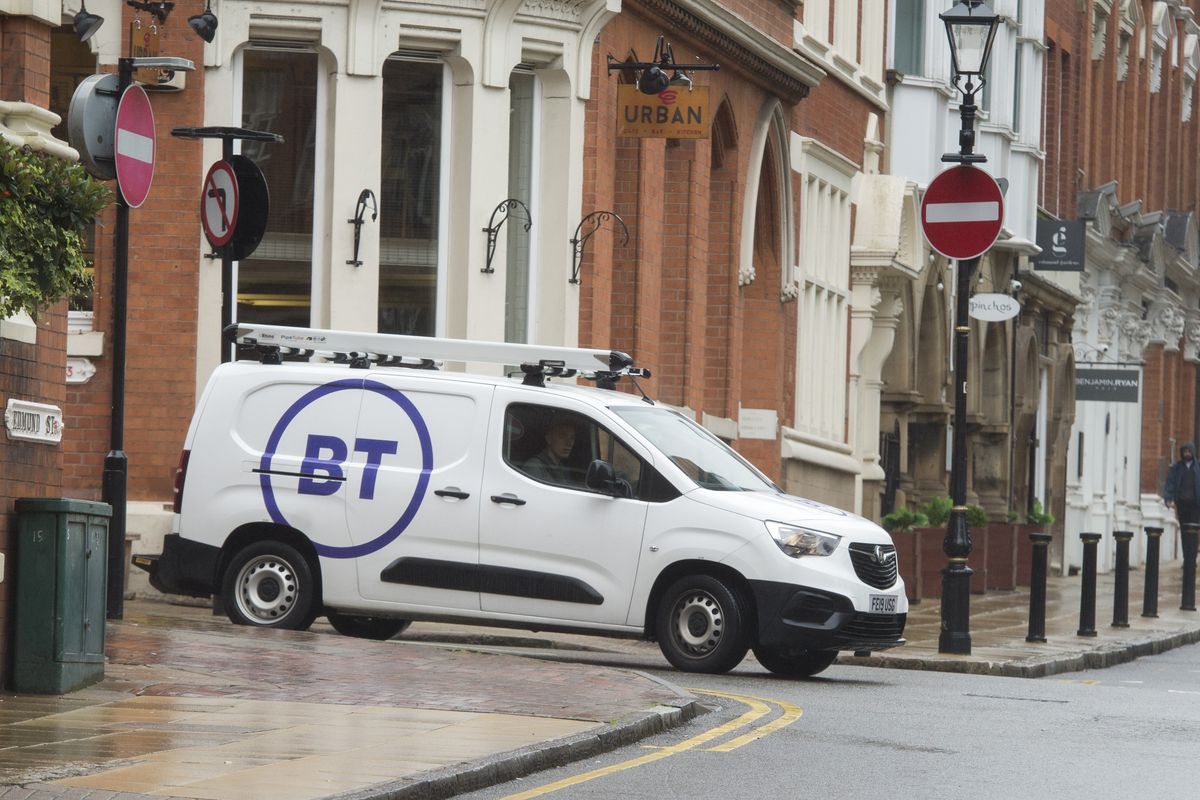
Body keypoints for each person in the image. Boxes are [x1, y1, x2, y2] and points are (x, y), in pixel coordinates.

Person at [524, 416, 577, 483]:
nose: (569, 443)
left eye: (572, 438)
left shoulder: (563, 469)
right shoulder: (535, 467)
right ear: (548, 439)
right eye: (562, 436)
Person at [1164, 442, 1200, 525]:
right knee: (1183, 526)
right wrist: (1168, 498)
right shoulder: (1177, 468)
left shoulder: (1198, 467)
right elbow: (1171, 482)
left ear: (1193, 452)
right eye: (1185, 452)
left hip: (1195, 503)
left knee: (1193, 527)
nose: (1187, 454)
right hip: (1182, 503)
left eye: (1189, 451)